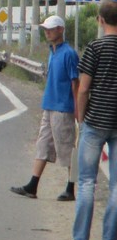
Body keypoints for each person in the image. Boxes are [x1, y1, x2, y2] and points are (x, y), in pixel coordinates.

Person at [11, 14, 78, 200]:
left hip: (63, 108)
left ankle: (71, 188)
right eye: (46, 29)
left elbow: (75, 83)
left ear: (60, 30)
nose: (47, 32)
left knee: (66, 149)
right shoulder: (52, 51)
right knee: (43, 145)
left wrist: (77, 110)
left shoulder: (69, 54)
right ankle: (32, 185)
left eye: (51, 29)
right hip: (49, 105)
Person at [68, 0, 117, 240]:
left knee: (87, 182)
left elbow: (83, 88)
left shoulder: (95, 48)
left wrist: (81, 118)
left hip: (95, 121)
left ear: (100, 20)